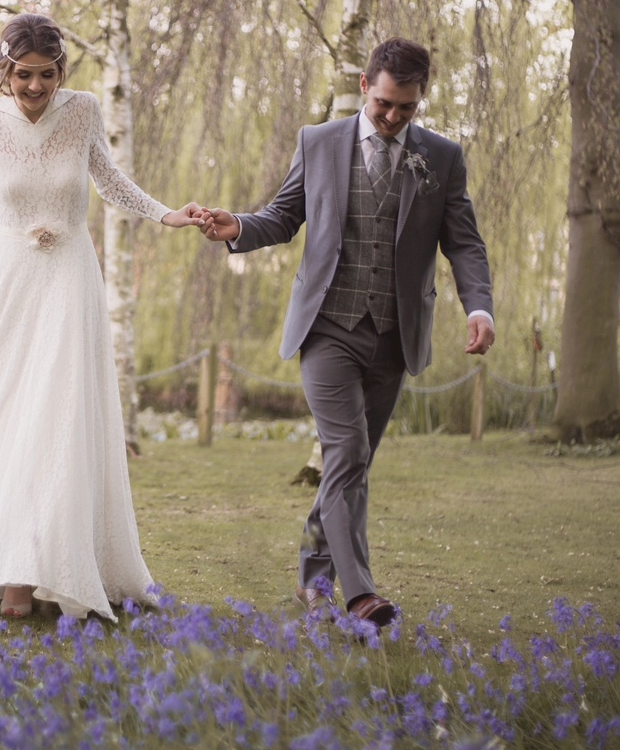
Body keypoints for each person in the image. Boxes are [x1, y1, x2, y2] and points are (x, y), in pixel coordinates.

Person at [0, 13, 204, 620]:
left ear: (61, 71)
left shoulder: (85, 110)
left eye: (45, 74)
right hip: (5, 281)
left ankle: (36, 573)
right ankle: (0, 562)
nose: (34, 87)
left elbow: (110, 182)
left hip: (69, 279)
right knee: (4, 418)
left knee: (53, 420)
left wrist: (168, 214)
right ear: (4, 72)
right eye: (23, 75)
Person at [199, 38, 494, 630]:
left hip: (395, 334)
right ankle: (357, 593)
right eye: (385, 104)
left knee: (350, 465)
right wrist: (238, 226)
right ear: (366, 84)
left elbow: (462, 241)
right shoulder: (319, 141)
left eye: (405, 109)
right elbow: (283, 217)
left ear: (419, 101)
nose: (392, 118)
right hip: (328, 327)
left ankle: (313, 579)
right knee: (348, 451)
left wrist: (478, 307)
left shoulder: (441, 157)